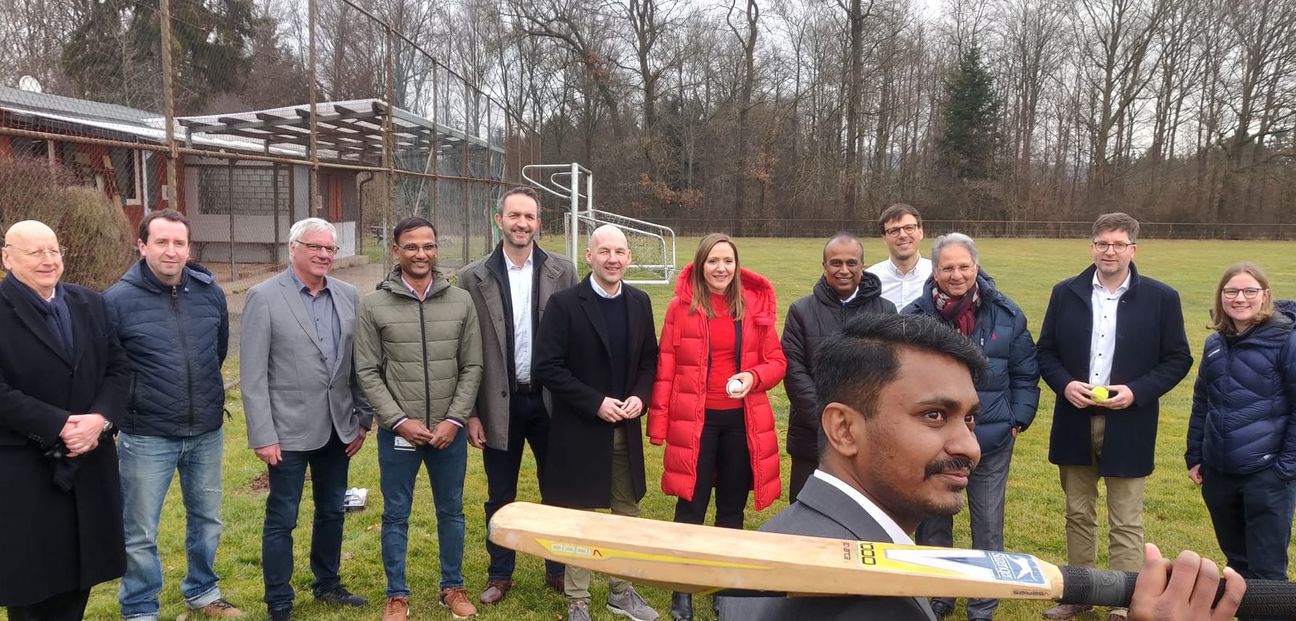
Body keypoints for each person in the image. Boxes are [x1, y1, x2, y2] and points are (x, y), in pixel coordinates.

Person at [719, 313, 1245, 621]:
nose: (969, 447)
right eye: (933, 415)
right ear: (843, 428)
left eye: (970, 419)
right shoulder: (861, 600)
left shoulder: (791, 538)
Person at [1037, 213, 1193, 621]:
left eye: (1118, 244)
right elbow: (1046, 352)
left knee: (1125, 519)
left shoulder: (1162, 298)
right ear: (1092, 247)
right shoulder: (1066, 292)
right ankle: (1080, 593)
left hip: (1130, 423)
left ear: (1133, 250)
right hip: (1075, 419)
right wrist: (1065, 384)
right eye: (1102, 243)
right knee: (1078, 513)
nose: (1110, 251)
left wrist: (1137, 391)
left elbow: (1178, 358)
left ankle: (1125, 599)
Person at [104, 209, 244, 621]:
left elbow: (217, 352)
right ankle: (140, 606)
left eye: (179, 243)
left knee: (207, 519)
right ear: (142, 245)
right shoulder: (116, 301)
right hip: (146, 433)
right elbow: (110, 368)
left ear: (188, 247)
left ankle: (202, 590)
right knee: (141, 529)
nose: (171, 251)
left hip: (205, 429)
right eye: (161, 242)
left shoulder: (209, 292)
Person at [647, 233, 787, 621]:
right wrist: (659, 423)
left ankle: (728, 586)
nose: (721, 268)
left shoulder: (752, 306)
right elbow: (666, 367)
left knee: (731, 507)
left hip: (740, 422)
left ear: (736, 265)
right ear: (700, 265)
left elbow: (777, 360)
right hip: (696, 420)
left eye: (727, 261)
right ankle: (683, 588)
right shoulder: (681, 308)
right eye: (713, 261)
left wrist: (753, 377)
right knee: (690, 505)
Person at [239, 217, 373, 621]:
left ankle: (327, 584)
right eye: (315, 247)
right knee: (284, 515)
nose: (323, 255)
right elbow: (253, 374)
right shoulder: (264, 297)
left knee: (332, 510)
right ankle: (279, 600)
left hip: (339, 427)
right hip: (287, 431)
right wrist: (263, 433)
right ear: (293, 248)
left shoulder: (349, 294)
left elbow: (361, 363)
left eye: (330, 249)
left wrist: (363, 418)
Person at [902, 232, 1040, 621]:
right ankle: (939, 594)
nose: (957, 274)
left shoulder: (1007, 314)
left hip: (992, 436)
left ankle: (983, 602)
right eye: (948, 267)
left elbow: (1026, 372)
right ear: (935, 270)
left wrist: (1017, 419)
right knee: (933, 519)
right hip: (936, 441)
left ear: (976, 267)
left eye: (964, 266)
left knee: (987, 521)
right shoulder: (914, 318)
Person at [353, 216, 483, 621]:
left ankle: (453, 587)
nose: (421, 253)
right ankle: (397, 595)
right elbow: (367, 371)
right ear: (396, 250)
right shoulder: (373, 305)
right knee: (395, 513)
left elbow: (472, 366)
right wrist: (397, 420)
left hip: (449, 431)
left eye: (428, 246)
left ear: (436, 248)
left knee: (452, 510)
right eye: (411, 246)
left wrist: (455, 420)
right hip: (400, 433)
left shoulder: (460, 300)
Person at [0, 220, 129, 620]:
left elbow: (120, 369)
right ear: (7, 257)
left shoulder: (90, 303)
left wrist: (99, 420)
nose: (48, 260)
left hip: (88, 464)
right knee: (31, 584)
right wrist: (59, 424)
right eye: (34, 252)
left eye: (54, 250)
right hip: (25, 470)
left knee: (79, 573)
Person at [534, 225, 662, 621]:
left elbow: (649, 361)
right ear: (588, 256)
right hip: (580, 430)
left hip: (624, 429)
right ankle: (578, 599)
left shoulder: (639, 302)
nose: (613, 259)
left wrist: (640, 396)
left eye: (620, 252)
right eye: (604, 251)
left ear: (629, 258)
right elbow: (547, 367)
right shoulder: (565, 304)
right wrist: (594, 403)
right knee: (581, 516)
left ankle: (621, 591)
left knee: (627, 510)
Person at [458, 186, 578, 603]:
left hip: (549, 403)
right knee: (500, 494)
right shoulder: (473, 277)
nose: (522, 223)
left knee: (557, 491)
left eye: (529, 216)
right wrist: (472, 413)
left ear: (539, 223)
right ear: (499, 220)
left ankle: (557, 568)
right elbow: (465, 350)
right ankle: (499, 573)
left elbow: (574, 342)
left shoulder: (563, 271)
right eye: (514, 216)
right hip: (498, 403)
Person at [1186, 262, 1296, 599]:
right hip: (1219, 474)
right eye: (1231, 291)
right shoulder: (1215, 343)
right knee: (1237, 565)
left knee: (1266, 574)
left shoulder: (1285, 341)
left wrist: (1284, 468)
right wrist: (1195, 455)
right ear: (1221, 298)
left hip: (1266, 475)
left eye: (1250, 291)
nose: (1240, 298)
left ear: (1265, 295)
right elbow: (1203, 400)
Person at [782, 231, 896, 501]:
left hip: (867, 435)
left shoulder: (885, 312)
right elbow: (794, 371)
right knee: (807, 514)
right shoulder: (801, 311)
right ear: (824, 267)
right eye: (836, 263)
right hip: (812, 435)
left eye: (851, 262)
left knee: (861, 515)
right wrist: (826, 421)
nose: (844, 270)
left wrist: (861, 423)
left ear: (862, 266)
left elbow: (892, 370)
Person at [866, 203, 932, 310]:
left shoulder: (938, 275)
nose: (903, 235)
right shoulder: (869, 281)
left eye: (909, 228)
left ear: (920, 232)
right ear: (884, 238)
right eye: (894, 231)